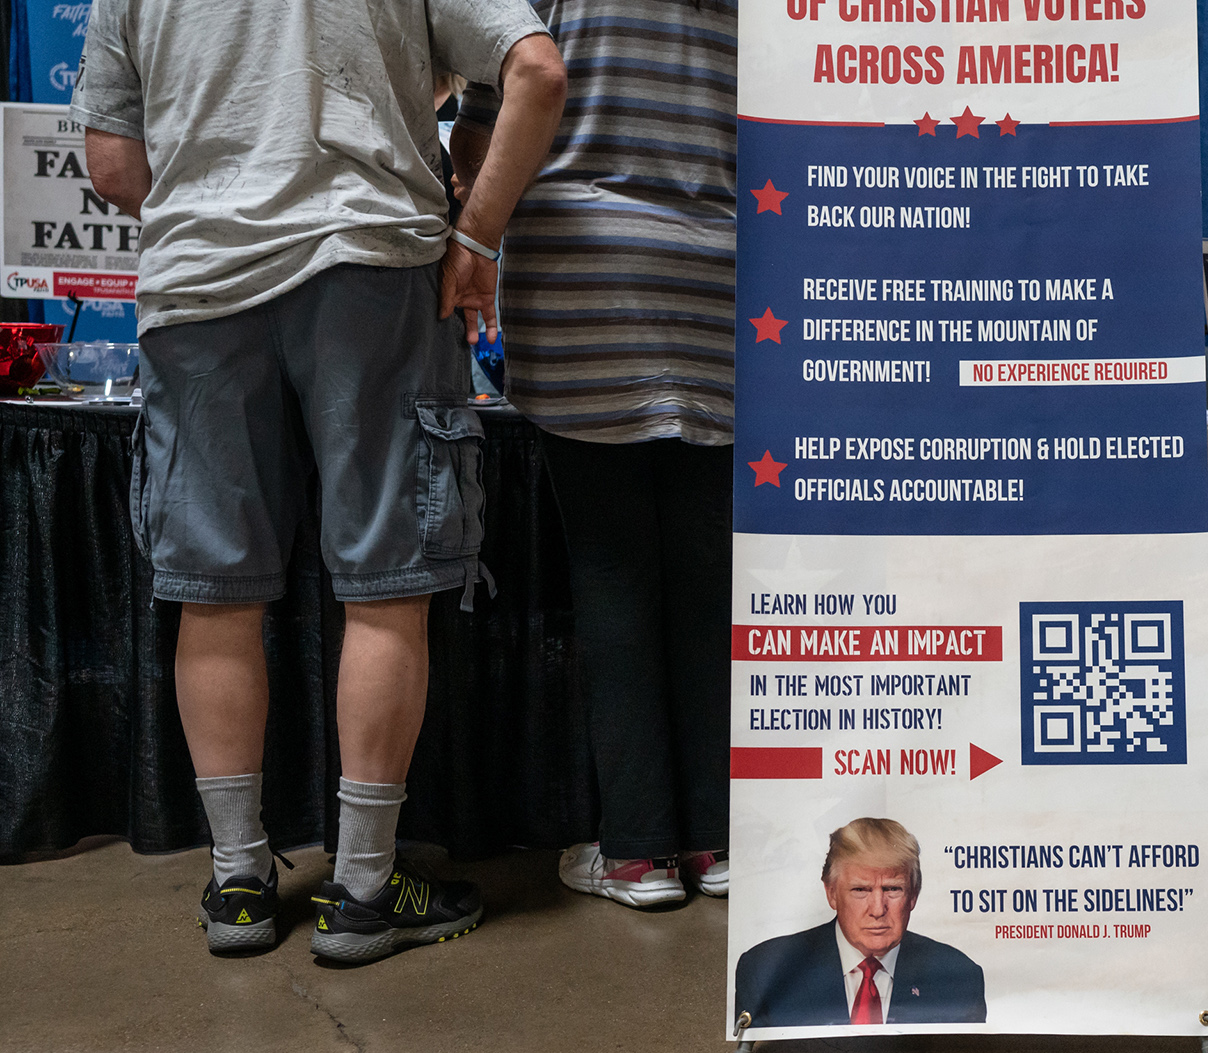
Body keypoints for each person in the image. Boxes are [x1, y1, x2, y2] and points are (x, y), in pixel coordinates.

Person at [71, 0, 566, 962]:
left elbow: (114, 165)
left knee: (215, 592)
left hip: (199, 286)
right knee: (386, 585)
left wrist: (222, 202)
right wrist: (477, 238)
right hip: (372, 266)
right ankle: (365, 893)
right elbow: (536, 72)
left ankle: (240, 884)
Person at [451, 0, 736, 910]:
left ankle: (638, 853)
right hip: (726, 280)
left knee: (613, 575)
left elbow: (499, 109)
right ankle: (717, 843)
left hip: (583, 278)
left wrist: (472, 212)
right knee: (707, 580)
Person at [733, 818, 987, 1027]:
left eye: (892, 889)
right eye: (860, 890)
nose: (878, 909)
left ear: (913, 895)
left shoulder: (961, 977)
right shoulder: (764, 969)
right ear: (831, 893)